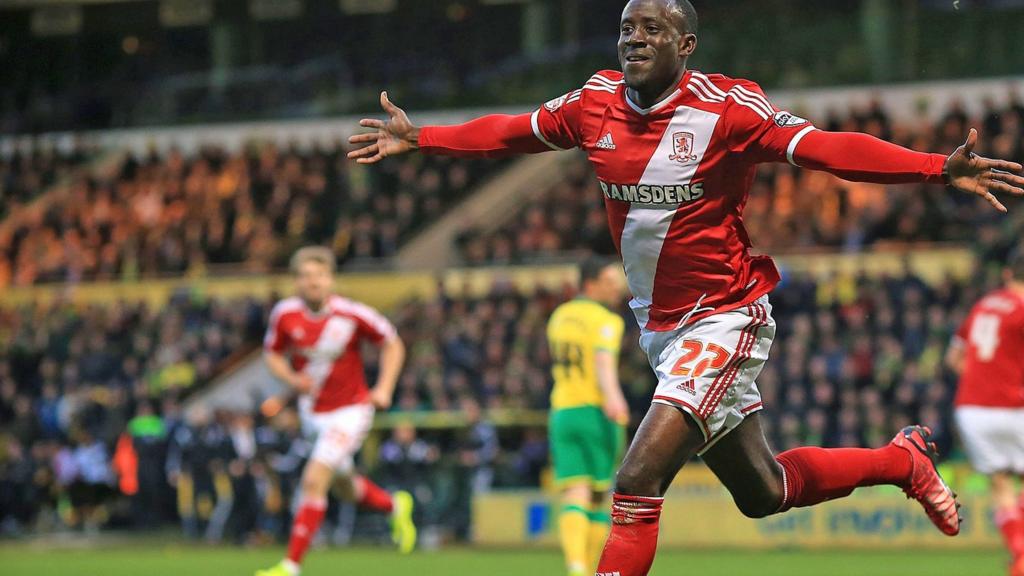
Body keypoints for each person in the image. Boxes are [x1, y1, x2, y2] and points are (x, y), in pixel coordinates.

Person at [348, 1, 1024, 573]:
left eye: (650, 28)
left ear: (687, 45)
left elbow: (827, 148)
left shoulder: (729, 109)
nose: (633, 37)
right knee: (764, 491)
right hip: (662, 329)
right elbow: (513, 132)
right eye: (625, 28)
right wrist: (425, 136)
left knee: (637, 480)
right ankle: (900, 462)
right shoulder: (593, 104)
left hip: (726, 315)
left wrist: (937, 168)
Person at [256, 246, 415, 576]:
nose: (313, 282)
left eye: (319, 275)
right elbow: (272, 354)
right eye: (305, 276)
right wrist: (291, 378)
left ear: (330, 279)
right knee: (345, 487)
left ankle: (290, 565)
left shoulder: (352, 314)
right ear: (297, 282)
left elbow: (393, 343)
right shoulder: (284, 314)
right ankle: (395, 505)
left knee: (313, 480)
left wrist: (384, 388)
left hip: (351, 411)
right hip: (313, 414)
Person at [546, 257, 628, 576]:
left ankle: (576, 566)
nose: (617, 287)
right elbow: (602, 363)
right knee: (597, 493)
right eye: (610, 281)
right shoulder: (606, 320)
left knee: (574, 491)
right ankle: (590, 568)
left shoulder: (559, 316)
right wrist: (614, 399)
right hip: (595, 412)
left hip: (562, 411)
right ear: (590, 283)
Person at [946, 251, 1024, 576]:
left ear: (1008, 274)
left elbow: (954, 358)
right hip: (1012, 405)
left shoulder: (984, 305)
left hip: (971, 408)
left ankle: (1020, 554)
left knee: (1001, 484)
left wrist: (986, 378)